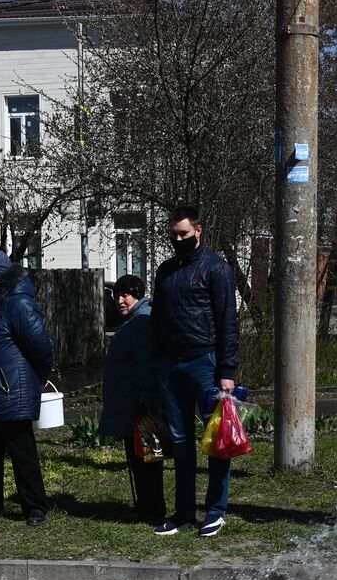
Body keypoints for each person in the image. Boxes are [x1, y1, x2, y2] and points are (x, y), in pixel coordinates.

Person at [150, 205, 241, 538]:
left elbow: (227, 322)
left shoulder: (217, 269)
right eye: (173, 234)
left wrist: (227, 370)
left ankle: (215, 510)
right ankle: (184, 511)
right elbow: (157, 317)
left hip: (205, 362)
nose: (177, 239)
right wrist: (158, 357)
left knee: (217, 438)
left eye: (183, 234)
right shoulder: (166, 271)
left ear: (199, 230)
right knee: (180, 439)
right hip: (171, 364)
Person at [0, 248, 53, 527]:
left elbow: (40, 345)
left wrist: (40, 377)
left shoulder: (18, 304)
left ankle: (35, 508)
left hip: (11, 389)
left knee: (22, 451)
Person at [99, 274, 165, 522]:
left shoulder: (141, 321)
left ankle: (152, 508)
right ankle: (146, 505)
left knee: (147, 457)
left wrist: (147, 399)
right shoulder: (135, 320)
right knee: (141, 456)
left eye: (125, 294)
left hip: (141, 404)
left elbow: (147, 362)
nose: (119, 300)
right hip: (133, 402)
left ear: (137, 294)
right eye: (117, 295)